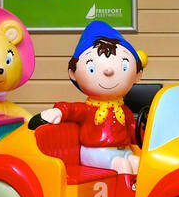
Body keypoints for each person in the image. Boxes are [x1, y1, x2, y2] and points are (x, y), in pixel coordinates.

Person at [39, 20, 148, 175]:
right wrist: (59, 111)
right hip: (96, 152)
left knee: (139, 164)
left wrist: (148, 134)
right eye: (91, 68)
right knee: (123, 166)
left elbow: (133, 131)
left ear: (137, 75)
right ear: (73, 74)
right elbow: (72, 109)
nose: (109, 71)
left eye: (124, 66)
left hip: (123, 150)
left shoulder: (124, 110)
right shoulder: (89, 109)